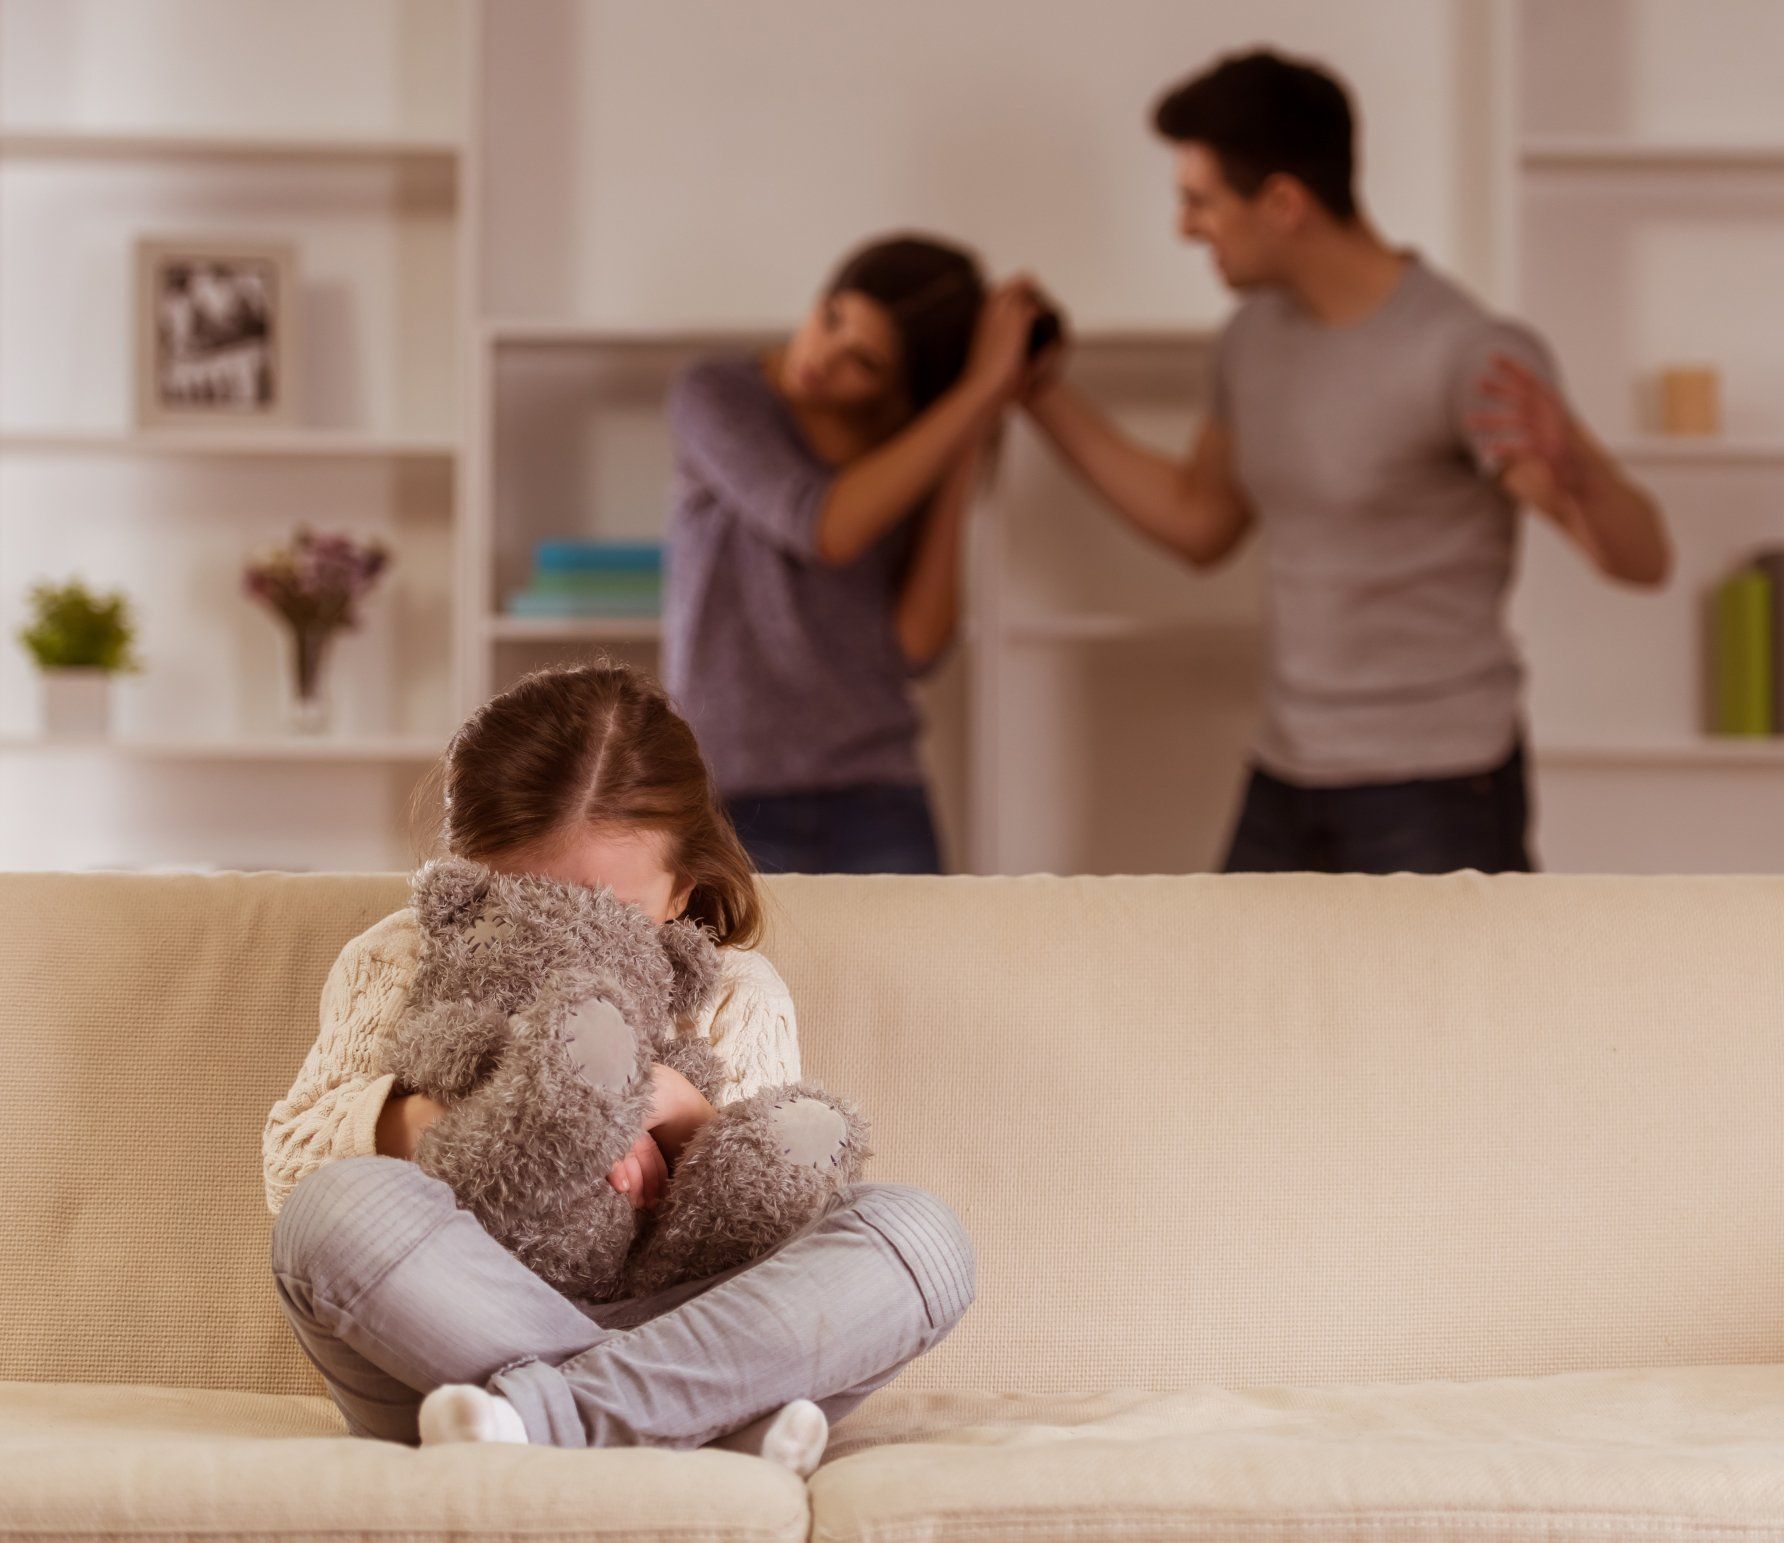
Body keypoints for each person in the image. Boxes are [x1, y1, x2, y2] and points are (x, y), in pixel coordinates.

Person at [263, 662, 975, 1465]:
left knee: (919, 1237)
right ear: (463, 874)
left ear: (682, 890)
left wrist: (684, 1115)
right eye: (522, 899)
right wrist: (519, 1110)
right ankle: (693, 1424)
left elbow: (773, 1220)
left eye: (612, 908)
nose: (567, 932)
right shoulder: (400, 956)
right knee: (328, 1213)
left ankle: (542, 1421)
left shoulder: (733, 992)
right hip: (446, 1343)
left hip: (672, 1331)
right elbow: (292, 1166)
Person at [1023, 50, 1672, 875]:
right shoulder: (1252, 340)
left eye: (1200, 201)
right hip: (1288, 769)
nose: (1185, 227)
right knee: (1228, 967)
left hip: (1437, 785)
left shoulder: (1465, 353)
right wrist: (1042, 396)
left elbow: (1641, 559)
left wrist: (1579, 470)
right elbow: (1198, 520)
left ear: (1284, 203)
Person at [663, 234, 1044, 874]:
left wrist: (965, 436)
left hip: (878, 790)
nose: (821, 355)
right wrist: (980, 390)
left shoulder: (910, 444)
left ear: (898, 389)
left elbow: (918, 644)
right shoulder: (717, 393)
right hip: (729, 793)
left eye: (863, 361)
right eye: (832, 316)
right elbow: (820, 526)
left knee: (924, 949)